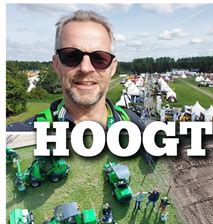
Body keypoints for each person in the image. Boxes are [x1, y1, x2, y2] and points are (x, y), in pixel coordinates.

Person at [7, 10, 143, 132]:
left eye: (99, 58)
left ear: (112, 68)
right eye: (71, 56)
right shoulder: (20, 137)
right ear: (56, 65)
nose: (85, 68)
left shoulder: (137, 127)